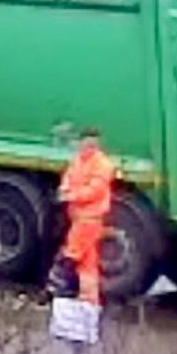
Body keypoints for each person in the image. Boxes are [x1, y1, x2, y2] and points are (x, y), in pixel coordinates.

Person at [55, 128, 116, 305]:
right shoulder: (78, 160)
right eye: (86, 144)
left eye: (92, 145)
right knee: (88, 264)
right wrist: (64, 189)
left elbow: (95, 191)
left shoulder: (103, 165)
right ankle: (88, 301)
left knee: (71, 256)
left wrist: (71, 195)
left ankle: (60, 294)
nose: (88, 148)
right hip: (79, 217)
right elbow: (68, 177)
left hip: (89, 219)